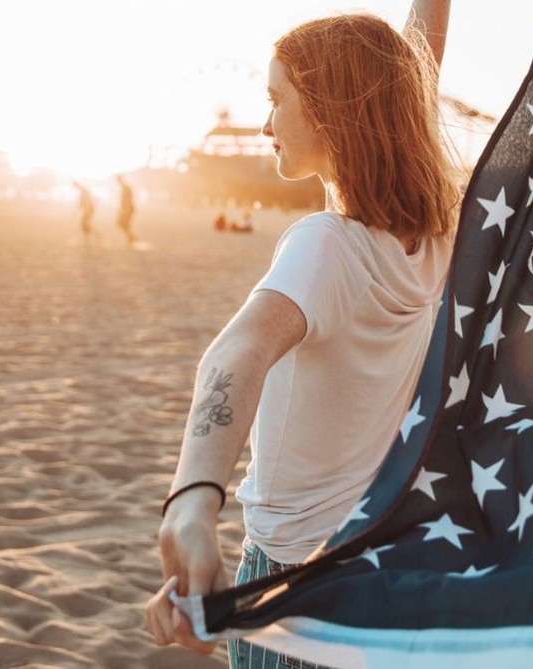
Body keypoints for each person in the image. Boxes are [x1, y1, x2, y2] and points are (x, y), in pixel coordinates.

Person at [145, 1, 454, 667]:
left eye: (276, 98)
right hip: (378, 569)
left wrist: (192, 503)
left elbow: (241, 348)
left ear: (328, 108)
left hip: (293, 575)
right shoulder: (433, 238)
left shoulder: (327, 247)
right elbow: (410, 78)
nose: (263, 123)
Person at [115, 174, 138, 245]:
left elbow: (127, 200)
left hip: (128, 208)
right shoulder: (124, 188)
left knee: (122, 223)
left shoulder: (126, 188)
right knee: (121, 223)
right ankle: (131, 237)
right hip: (127, 208)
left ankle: (131, 238)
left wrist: (124, 210)